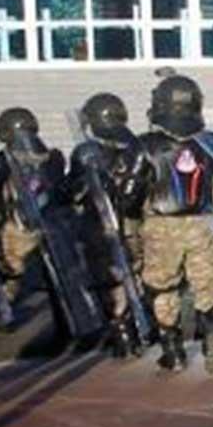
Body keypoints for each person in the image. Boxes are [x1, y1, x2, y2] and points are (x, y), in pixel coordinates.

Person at [127, 75, 213, 373]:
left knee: (162, 287)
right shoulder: (210, 142)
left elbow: (129, 193)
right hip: (202, 221)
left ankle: (172, 349)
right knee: (207, 283)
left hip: (162, 225)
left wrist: (130, 222)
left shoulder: (145, 145)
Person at [0, 107, 71, 324]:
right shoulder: (52, 157)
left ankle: (3, 312)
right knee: (56, 277)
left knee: (10, 269)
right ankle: (66, 322)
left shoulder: (3, 160)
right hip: (53, 223)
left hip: (19, 225)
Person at [65, 91, 148, 359]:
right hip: (135, 221)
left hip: (99, 223)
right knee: (135, 274)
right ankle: (142, 325)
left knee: (108, 279)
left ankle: (123, 333)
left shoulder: (87, 152)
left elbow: (71, 190)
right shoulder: (139, 146)